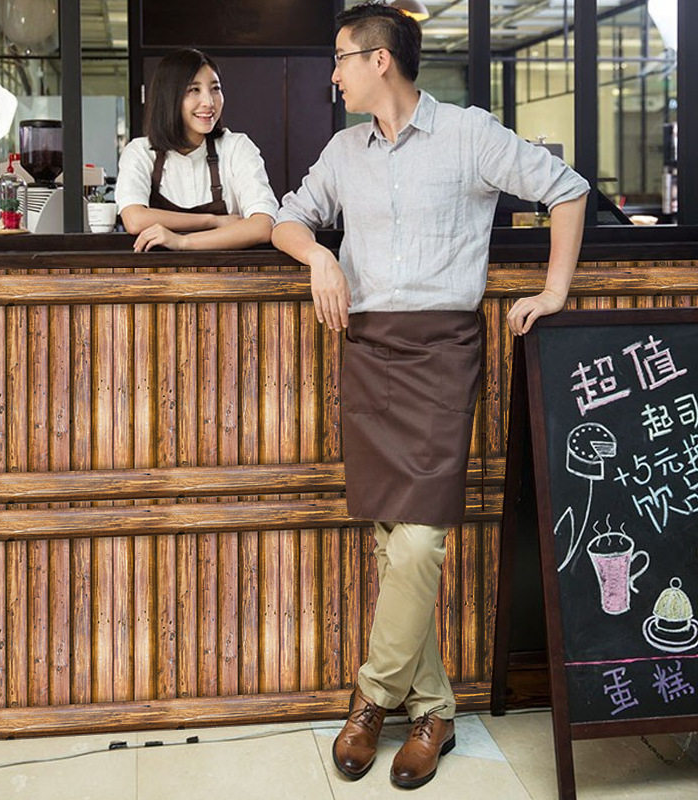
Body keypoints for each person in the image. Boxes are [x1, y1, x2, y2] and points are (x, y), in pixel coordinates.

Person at [272, 1, 588, 790]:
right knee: (393, 546)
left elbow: (568, 189)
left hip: (444, 353)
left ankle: (371, 698)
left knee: (417, 545)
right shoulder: (343, 151)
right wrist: (319, 256)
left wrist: (554, 291)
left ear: (381, 60)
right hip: (371, 352)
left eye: (341, 57)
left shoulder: (470, 134)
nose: (334, 73)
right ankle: (436, 710)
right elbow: (288, 217)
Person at [115, 48, 278, 252]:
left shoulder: (237, 147)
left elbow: (262, 225)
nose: (209, 102)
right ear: (169, 97)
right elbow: (135, 219)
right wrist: (212, 221)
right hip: (157, 279)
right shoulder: (140, 152)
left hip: (229, 276)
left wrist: (183, 242)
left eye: (215, 89)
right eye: (194, 90)